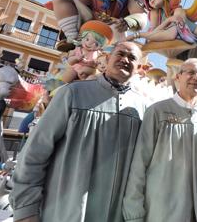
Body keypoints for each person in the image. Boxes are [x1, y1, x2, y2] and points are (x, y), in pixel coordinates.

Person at [10, 42, 147, 222]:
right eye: (120, 54)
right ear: (107, 58)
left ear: (138, 68)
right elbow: (36, 151)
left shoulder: (143, 108)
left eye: (132, 58)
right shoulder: (72, 93)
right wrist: (25, 208)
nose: (125, 60)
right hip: (64, 211)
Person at [123, 58, 197, 222]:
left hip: (195, 208)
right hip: (160, 207)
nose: (196, 77)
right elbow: (139, 161)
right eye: (191, 72)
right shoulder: (157, 111)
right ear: (178, 77)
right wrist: (133, 207)